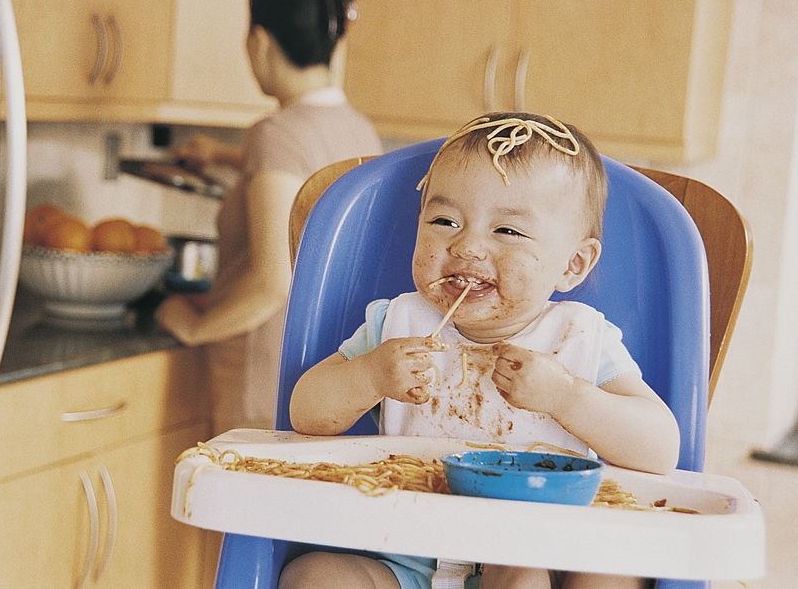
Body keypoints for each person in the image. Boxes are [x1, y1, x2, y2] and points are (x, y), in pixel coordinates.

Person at [280, 112, 680, 589]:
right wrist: (369, 377)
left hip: (539, 558)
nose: (467, 246)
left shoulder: (578, 339)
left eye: (507, 231)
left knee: (604, 572)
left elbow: (660, 449)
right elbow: (305, 413)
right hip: (408, 559)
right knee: (314, 575)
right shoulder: (397, 326)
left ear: (572, 264)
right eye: (444, 221)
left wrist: (567, 396)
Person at [155, 0, 383, 435]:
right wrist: (222, 154)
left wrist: (194, 327)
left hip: (261, 375)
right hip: (325, 373)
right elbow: (305, 182)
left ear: (259, 41)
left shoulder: (274, 134)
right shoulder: (357, 129)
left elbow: (270, 284)